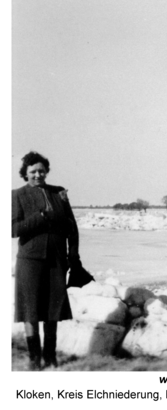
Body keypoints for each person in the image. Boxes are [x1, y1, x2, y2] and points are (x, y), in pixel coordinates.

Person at [12, 151, 81, 370]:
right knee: (30, 310)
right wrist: (40, 217)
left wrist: (73, 255)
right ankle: (34, 359)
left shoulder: (59, 193)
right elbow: (13, 229)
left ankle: (50, 357)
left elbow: (72, 227)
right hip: (30, 261)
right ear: (25, 173)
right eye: (33, 172)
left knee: (53, 311)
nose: (38, 175)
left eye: (42, 171)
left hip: (56, 260)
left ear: (47, 172)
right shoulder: (17, 195)